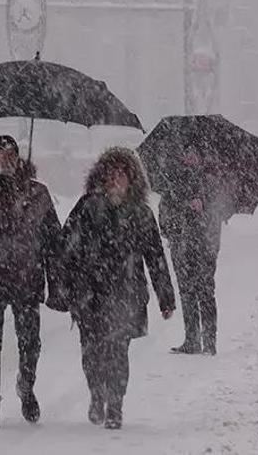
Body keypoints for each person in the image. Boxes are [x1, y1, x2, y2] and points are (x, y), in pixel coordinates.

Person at [56, 147, 176, 430]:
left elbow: (155, 257)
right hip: (89, 294)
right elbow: (65, 247)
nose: (116, 179)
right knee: (91, 352)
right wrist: (64, 284)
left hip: (126, 294)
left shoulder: (142, 213)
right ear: (102, 176)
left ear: (131, 179)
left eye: (122, 174)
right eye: (111, 173)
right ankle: (97, 395)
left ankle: (116, 405)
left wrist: (166, 297)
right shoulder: (87, 207)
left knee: (118, 352)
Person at [0, 135, 62, 428]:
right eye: (2, 156)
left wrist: (57, 280)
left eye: (12, 154)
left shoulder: (37, 194)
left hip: (28, 278)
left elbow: (53, 239)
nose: (8, 160)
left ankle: (27, 385)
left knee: (30, 342)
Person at [159, 144, 228, 356]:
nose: (189, 158)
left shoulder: (211, 181)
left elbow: (221, 212)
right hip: (181, 245)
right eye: (185, 153)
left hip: (205, 245)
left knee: (205, 291)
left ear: (200, 156)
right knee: (187, 292)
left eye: (193, 153)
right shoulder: (172, 181)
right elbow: (165, 213)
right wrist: (179, 216)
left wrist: (204, 205)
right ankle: (191, 340)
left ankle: (209, 342)